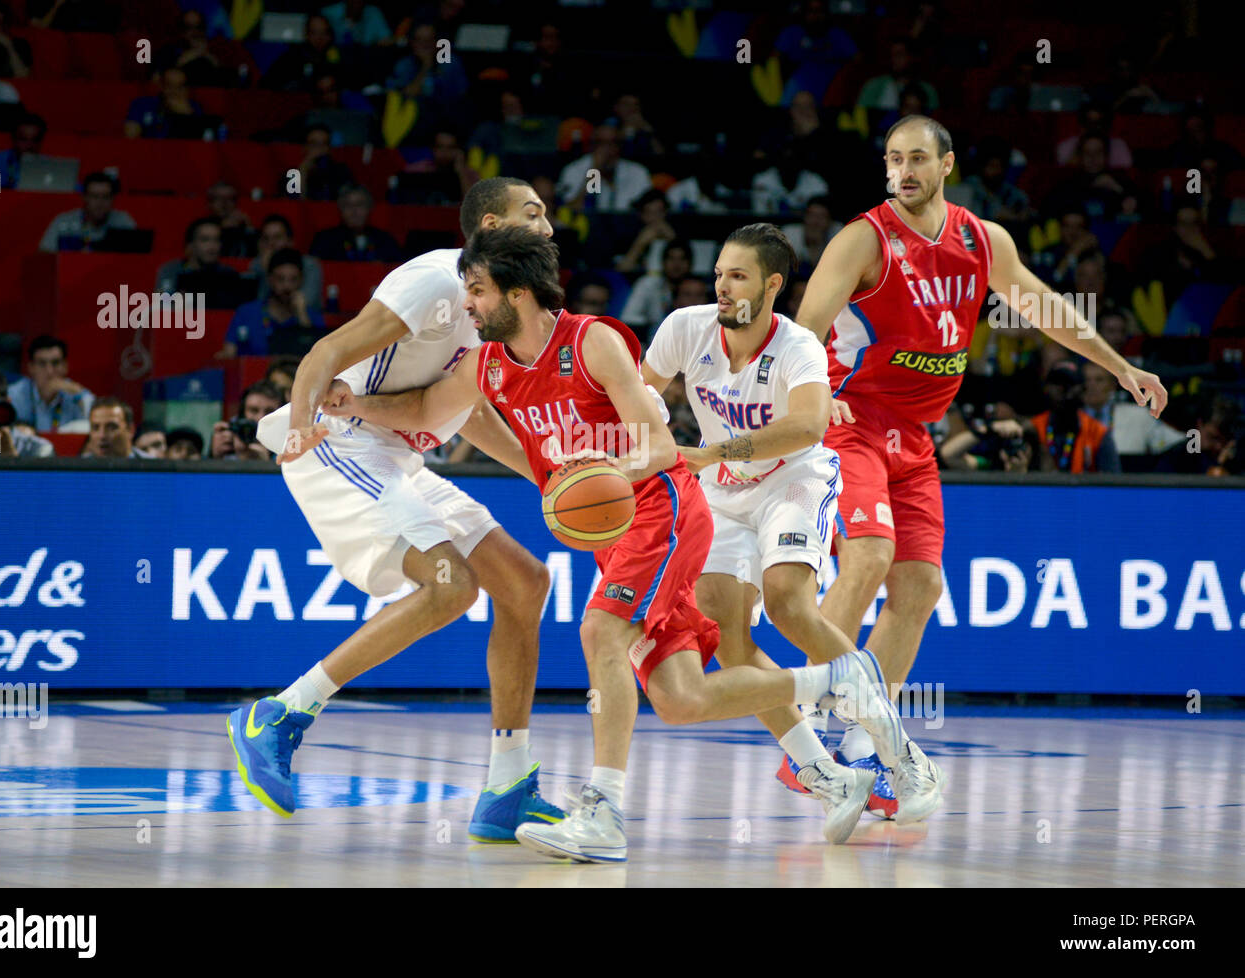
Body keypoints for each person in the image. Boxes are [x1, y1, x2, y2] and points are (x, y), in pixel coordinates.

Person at [328, 226, 937, 861]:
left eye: (477, 291)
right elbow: (427, 409)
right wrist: (355, 405)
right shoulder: (488, 366)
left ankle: (604, 811)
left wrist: (610, 471)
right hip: (623, 533)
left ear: (517, 292)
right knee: (679, 696)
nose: (468, 306)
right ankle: (833, 690)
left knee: (603, 631)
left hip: (663, 507)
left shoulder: (592, 342)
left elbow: (656, 441)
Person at [792, 115, 1167, 811]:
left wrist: (1118, 367)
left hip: (917, 433)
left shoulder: (980, 239)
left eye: (915, 159)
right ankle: (808, 730)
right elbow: (804, 328)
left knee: (921, 588)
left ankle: (861, 750)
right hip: (854, 419)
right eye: (892, 159)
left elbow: (1045, 308)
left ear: (947, 165)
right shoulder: (862, 238)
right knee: (869, 556)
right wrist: (816, 397)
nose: (901, 171)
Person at [225, 177, 565, 845]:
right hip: (337, 440)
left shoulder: (504, 307)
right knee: (451, 587)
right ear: (492, 224)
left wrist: (548, 476)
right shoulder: (438, 282)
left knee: (526, 583)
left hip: (399, 452)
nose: (549, 225)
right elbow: (324, 354)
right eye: (534, 213)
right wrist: (301, 425)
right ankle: (280, 714)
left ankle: (506, 787)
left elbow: (463, 411)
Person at [641, 223, 945, 831]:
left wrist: (716, 449)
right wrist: (643, 439)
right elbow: (639, 391)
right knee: (724, 631)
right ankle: (825, 773)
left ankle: (903, 755)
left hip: (793, 479)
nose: (722, 287)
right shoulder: (684, 327)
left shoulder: (799, 345)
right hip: (722, 490)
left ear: (772, 284)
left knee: (788, 606)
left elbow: (808, 426)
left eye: (739, 276)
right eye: (720, 273)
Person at [219, 250, 325, 358]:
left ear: (301, 280)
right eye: (280, 279)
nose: (286, 286)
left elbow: (318, 361)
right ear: (270, 279)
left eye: (293, 279)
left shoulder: (312, 317)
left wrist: (303, 317)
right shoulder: (246, 312)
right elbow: (228, 355)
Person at [154, 217, 249, 308]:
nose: (212, 247)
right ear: (190, 246)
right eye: (205, 240)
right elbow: (162, 308)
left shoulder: (229, 274)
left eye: (217, 240)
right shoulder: (171, 271)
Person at [8, 335, 95, 431]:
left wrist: (81, 397)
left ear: (65, 366)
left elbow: (96, 423)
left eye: (55, 363)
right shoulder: (14, 395)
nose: (49, 371)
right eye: (42, 363)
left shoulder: (75, 394)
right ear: (31, 368)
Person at [37, 172, 137, 253]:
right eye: (95, 196)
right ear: (85, 197)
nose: (100, 203)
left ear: (112, 199)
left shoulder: (123, 222)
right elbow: (44, 254)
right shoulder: (64, 221)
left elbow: (138, 258)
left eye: (106, 197)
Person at [308, 184, 404, 262]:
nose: (354, 211)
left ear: (369, 208)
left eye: (359, 205)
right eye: (348, 205)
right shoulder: (325, 240)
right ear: (340, 209)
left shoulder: (385, 241)